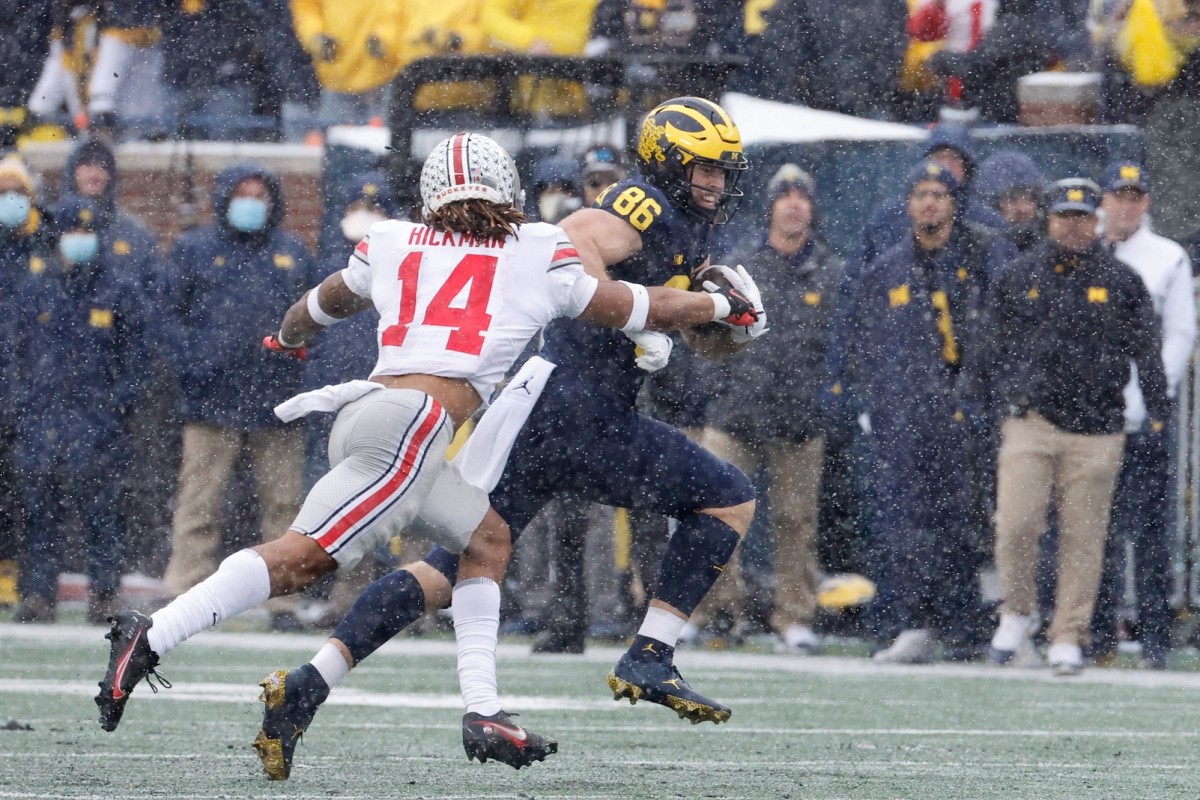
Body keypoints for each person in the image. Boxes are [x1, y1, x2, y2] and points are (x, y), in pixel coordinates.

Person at [93, 130, 762, 775]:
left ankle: (484, 711)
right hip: (413, 429)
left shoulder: (390, 238)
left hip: (374, 412)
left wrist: (287, 335)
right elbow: (628, 302)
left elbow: (321, 302)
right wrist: (715, 306)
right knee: (302, 559)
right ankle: (152, 634)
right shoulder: (531, 248)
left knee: (487, 540)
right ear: (509, 189)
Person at [970, 178, 1168, 675]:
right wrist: (984, 399)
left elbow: (1147, 348)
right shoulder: (1019, 275)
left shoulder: (1122, 280)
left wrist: (1159, 407)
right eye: (1064, 216)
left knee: (1084, 538)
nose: (1073, 226)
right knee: (1016, 524)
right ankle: (1017, 610)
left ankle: (1068, 633)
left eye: (1081, 217)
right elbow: (990, 344)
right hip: (1032, 420)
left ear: (1095, 221)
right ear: (1050, 219)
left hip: (1098, 428)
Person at [841, 161, 1005, 664]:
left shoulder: (981, 255)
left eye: (939, 194)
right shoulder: (887, 268)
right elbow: (863, 343)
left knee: (963, 524)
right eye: (920, 194)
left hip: (966, 416)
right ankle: (908, 622)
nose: (929, 203)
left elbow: (998, 333)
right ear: (908, 204)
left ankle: (965, 628)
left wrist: (974, 401)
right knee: (903, 525)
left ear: (954, 203)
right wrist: (875, 405)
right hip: (905, 421)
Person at [157, 163, 316, 633]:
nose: (251, 203)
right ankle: (186, 591)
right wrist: (195, 361)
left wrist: (298, 368)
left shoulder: (291, 250)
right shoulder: (193, 249)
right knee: (199, 502)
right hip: (210, 401)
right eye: (242, 193)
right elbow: (166, 318)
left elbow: (315, 319)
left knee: (285, 505)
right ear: (225, 198)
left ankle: (283, 599)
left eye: (259, 194)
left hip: (277, 399)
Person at [694, 163, 843, 655]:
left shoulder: (832, 270)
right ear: (771, 206)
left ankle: (793, 617)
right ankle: (717, 611)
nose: (794, 204)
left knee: (797, 522)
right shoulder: (742, 265)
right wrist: (721, 390)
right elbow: (710, 335)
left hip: (800, 418)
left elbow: (846, 345)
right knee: (717, 515)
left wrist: (828, 396)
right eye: (785, 196)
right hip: (736, 414)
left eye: (802, 195)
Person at [13, 195, 147, 624]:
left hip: (97, 421)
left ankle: (104, 594)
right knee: (38, 512)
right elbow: (12, 354)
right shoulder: (35, 288)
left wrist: (116, 403)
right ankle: (37, 594)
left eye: (87, 231)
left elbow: (138, 358)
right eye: (73, 230)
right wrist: (20, 404)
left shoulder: (117, 288)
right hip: (41, 419)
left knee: (101, 512)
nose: (80, 239)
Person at [1090, 162, 1195, 669]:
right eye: (1118, 196)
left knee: (1150, 533)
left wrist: (1153, 395)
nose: (1126, 205)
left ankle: (1154, 637)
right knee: (1096, 529)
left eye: (1135, 197)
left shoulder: (1166, 257)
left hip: (1143, 412)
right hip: (1093, 413)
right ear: (1103, 199)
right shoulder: (1084, 249)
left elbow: (1179, 334)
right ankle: (1098, 634)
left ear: (1147, 202)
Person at [0, 155, 50, 614]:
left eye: (17, 192)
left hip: (27, 390)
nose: (9, 202)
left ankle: (20, 574)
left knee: (24, 491)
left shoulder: (41, 247)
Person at [972, 149, 1046, 253]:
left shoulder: (1048, 245)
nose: (1023, 208)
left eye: (1031, 197)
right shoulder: (977, 251)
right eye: (1012, 199)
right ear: (992, 204)